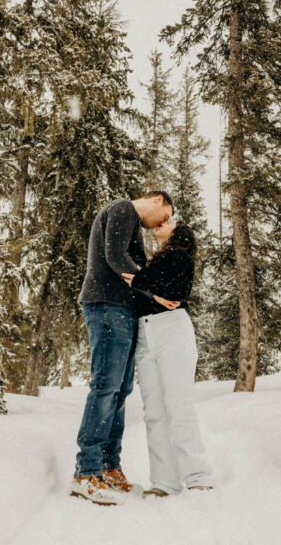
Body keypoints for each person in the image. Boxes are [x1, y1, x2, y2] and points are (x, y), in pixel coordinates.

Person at [69, 190, 177, 506]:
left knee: (120, 389)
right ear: (158, 200)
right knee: (105, 387)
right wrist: (154, 292)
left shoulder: (132, 224)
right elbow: (116, 258)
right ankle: (85, 473)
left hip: (122, 309)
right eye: (166, 216)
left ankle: (108, 466)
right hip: (106, 305)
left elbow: (134, 267)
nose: (163, 223)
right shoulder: (123, 209)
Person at [123, 218, 214, 498]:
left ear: (179, 232)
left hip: (171, 329)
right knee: (154, 413)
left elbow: (175, 292)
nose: (162, 222)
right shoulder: (155, 261)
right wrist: (149, 288)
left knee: (178, 405)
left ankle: (198, 477)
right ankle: (164, 483)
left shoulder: (179, 256)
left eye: (170, 221)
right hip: (145, 332)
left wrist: (140, 281)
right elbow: (148, 292)